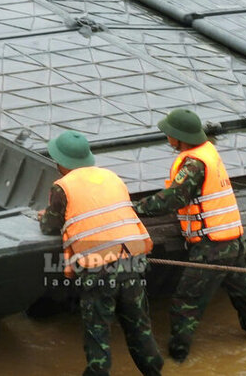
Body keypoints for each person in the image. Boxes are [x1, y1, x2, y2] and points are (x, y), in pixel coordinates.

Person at [134, 108, 246, 362]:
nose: (167, 138)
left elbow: (173, 199)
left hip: (211, 248)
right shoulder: (209, 153)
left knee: (185, 304)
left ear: (179, 137)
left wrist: (135, 209)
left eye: (169, 134)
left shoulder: (193, 164)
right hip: (233, 240)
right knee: (245, 296)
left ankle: (178, 358)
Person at [39, 130, 163, 376]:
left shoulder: (62, 187)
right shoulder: (112, 177)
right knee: (139, 327)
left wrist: (44, 216)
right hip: (131, 262)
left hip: (98, 269)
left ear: (62, 163)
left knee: (98, 333)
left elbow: (51, 224)